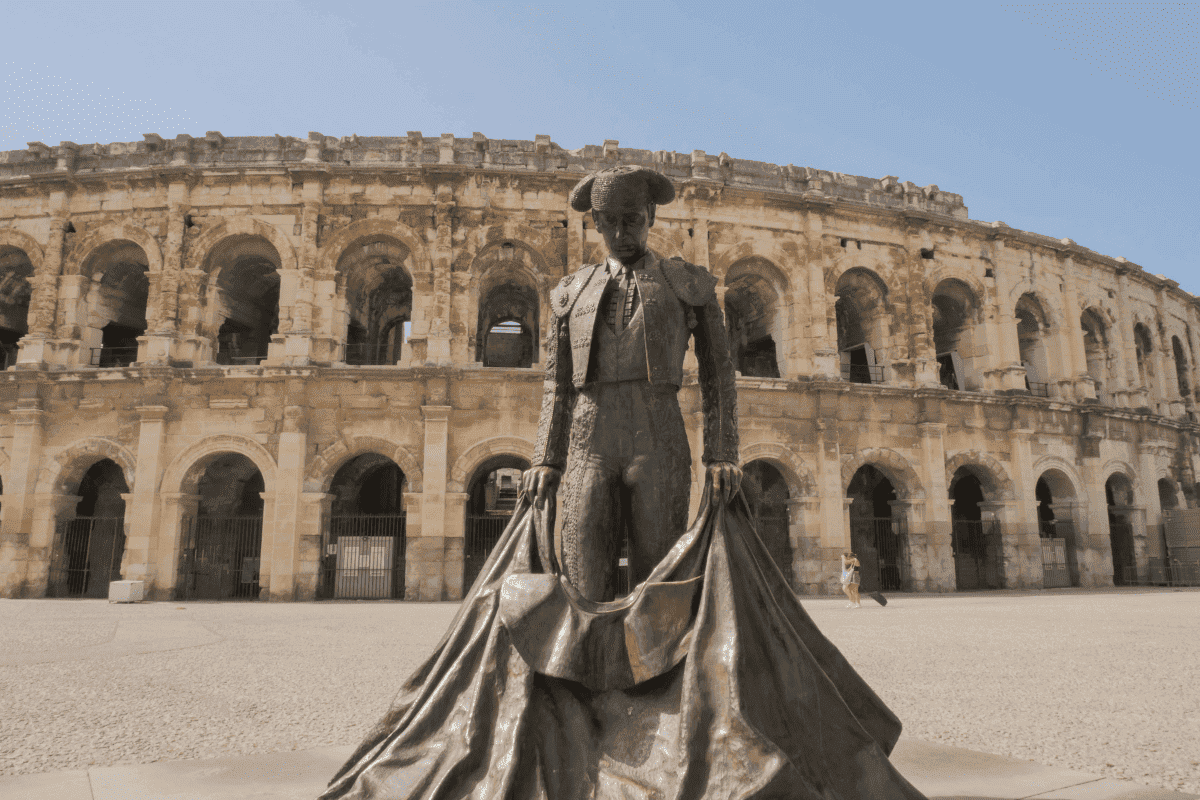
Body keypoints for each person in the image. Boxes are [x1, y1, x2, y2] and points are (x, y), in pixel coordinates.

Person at [521, 164, 742, 601]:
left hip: (657, 433)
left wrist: (722, 453)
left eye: (633, 220)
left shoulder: (687, 283)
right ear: (597, 223)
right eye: (611, 223)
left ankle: (657, 670)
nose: (623, 233)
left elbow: (719, 372)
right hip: (589, 437)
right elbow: (556, 382)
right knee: (583, 575)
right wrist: (546, 457)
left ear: (651, 217)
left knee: (659, 578)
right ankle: (588, 667)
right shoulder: (571, 291)